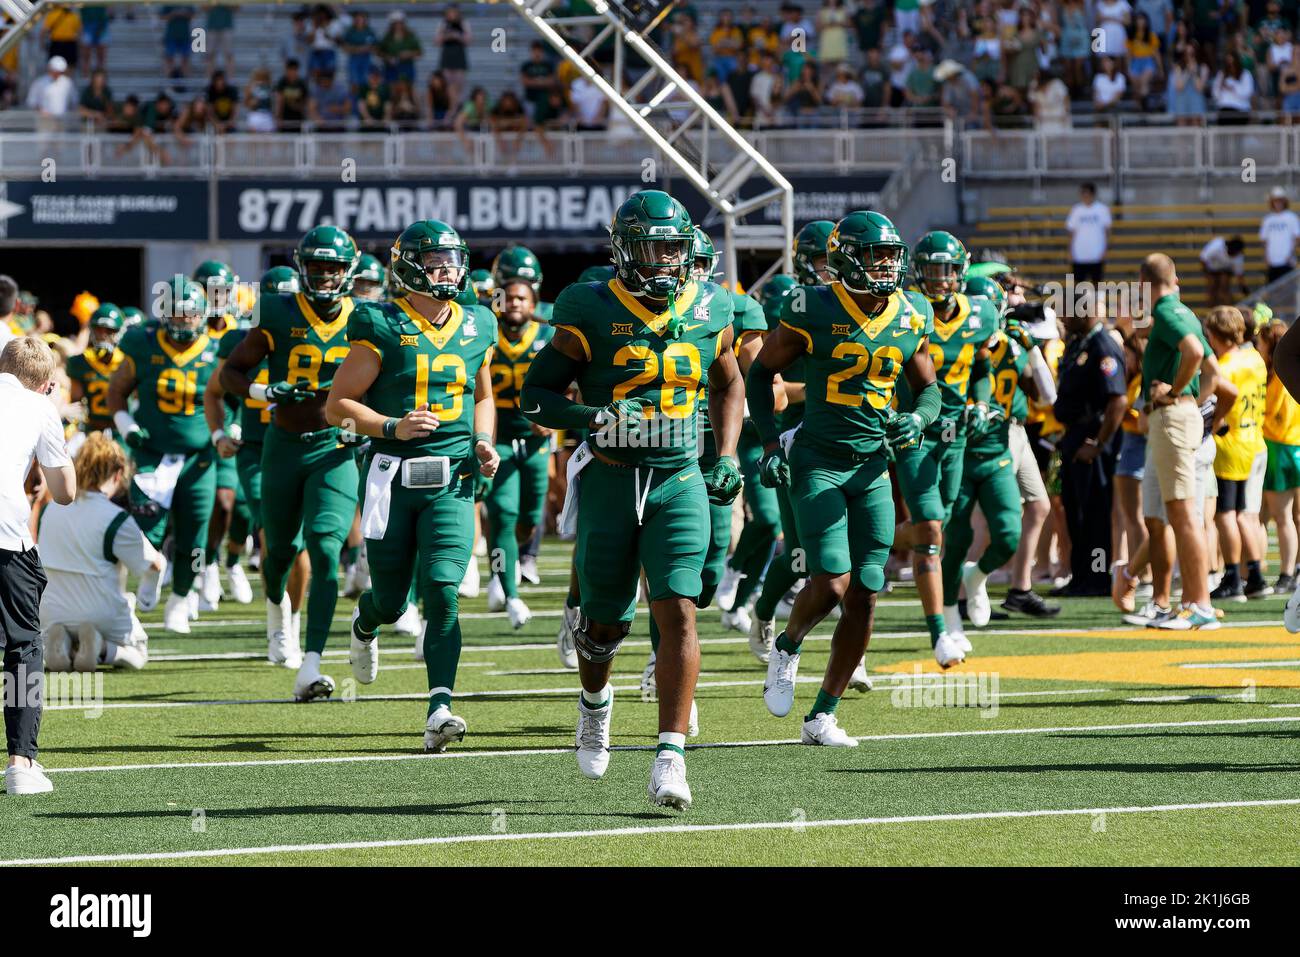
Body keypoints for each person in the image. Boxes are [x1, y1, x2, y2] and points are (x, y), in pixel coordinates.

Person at [519, 190, 744, 810]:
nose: (664, 260)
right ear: (622, 250)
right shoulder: (587, 305)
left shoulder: (710, 304)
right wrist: (591, 414)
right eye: (650, 247)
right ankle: (595, 704)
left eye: (673, 247)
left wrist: (724, 454)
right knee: (604, 622)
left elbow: (729, 381)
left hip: (678, 478)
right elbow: (534, 396)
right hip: (611, 478)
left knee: (679, 610)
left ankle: (669, 755)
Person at [748, 210, 938, 747]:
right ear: (847, 258)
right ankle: (787, 645)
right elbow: (762, 373)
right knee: (832, 578)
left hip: (874, 466)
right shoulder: (813, 306)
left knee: (869, 591)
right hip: (819, 461)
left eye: (891, 254)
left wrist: (919, 417)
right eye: (876, 255)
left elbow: (929, 387)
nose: (887, 264)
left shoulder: (912, 311)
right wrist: (767, 443)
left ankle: (822, 715)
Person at [326, 220, 499, 750]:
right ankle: (365, 622)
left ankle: (439, 706)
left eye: (452, 260)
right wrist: (389, 427)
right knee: (393, 602)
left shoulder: (478, 323)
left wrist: (485, 439)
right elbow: (337, 409)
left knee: (444, 590)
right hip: (391, 479)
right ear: (407, 267)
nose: (447, 270)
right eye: (435, 261)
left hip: (453, 478)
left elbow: (483, 395)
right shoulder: (377, 321)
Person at [221, 227, 362, 699]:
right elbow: (230, 372)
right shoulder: (276, 311)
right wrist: (266, 391)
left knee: (325, 548)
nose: (325, 278)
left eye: (334, 268)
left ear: (350, 271)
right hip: (282, 443)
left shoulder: (367, 317)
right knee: (279, 549)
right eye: (318, 268)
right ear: (302, 268)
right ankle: (278, 612)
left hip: (335, 447)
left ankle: (314, 661)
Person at [894, 230, 999, 666]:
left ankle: (873, 540)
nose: (940, 279)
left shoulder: (981, 313)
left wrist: (980, 402)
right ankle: (940, 632)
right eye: (932, 270)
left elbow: (982, 367)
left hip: (956, 435)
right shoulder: (906, 310)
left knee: (945, 523)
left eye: (948, 270)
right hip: (914, 430)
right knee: (933, 527)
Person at [107, 276, 217, 634]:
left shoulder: (217, 350)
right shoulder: (143, 342)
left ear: (201, 314)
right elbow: (117, 392)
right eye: (176, 312)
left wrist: (228, 429)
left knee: (195, 536)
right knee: (146, 530)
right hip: (152, 451)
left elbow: (231, 401)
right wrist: (126, 425)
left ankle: (181, 599)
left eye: (189, 313)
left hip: (199, 457)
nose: (183, 320)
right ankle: (148, 577)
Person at [0, 336, 75, 795]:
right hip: (7, 536)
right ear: (45, 382)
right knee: (23, 647)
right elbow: (64, 492)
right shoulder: (40, 406)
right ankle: (21, 764)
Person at [1139, 253, 1230, 630]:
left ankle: (1199, 605)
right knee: (1175, 514)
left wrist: (1177, 394)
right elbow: (1213, 372)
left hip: (1173, 417)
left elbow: (1195, 355)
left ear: (1145, 284)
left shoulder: (1165, 311)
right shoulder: (1185, 311)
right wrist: (1193, 402)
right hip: (1181, 416)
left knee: (1184, 515)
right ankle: (1190, 603)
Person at [38, 434, 158, 673]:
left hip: (52, 611)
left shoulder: (49, 510)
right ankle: (102, 648)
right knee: (139, 654)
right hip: (102, 611)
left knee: (58, 627)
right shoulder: (116, 518)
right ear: (117, 473)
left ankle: (66, 645)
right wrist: (147, 597)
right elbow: (153, 565)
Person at [483, 278, 553, 629]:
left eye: (522, 298)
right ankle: (509, 592)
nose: (514, 304)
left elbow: (568, 387)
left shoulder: (548, 335)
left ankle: (504, 568)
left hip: (536, 443)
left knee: (528, 519)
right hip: (499, 439)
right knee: (503, 514)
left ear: (534, 303)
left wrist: (552, 417)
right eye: (508, 298)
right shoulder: (485, 332)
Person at [1052, 295, 1128, 596]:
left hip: (1092, 439)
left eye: (1070, 313)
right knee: (1075, 510)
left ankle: (1096, 577)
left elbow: (1117, 400)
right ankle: (1080, 576)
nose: (1064, 318)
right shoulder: (1079, 343)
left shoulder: (1103, 345)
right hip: (1074, 437)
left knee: (1095, 511)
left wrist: (1097, 444)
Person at [1205, 306, 1271, 602]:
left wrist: (1214, 422)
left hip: (1231, 443)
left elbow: (1221, 399)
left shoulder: (1226, 365)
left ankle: (1232, 576)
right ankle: (1255, 575)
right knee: (1248, 516)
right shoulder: (1255, 358)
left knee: (1226, 515)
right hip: (1255, 438)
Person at [66, 303, 125, 435]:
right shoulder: (80, 362)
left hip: (121, 431)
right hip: (92, 429)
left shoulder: (127, 361)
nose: (103, 335)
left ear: (119, 331)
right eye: (99, 329)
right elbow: (77, 402)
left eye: (109, 330)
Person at [1065, 183, 1112, 285]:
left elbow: (1107, 232)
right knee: (1078, 287)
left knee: (1098, 286)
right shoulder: (1076, 210)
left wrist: (1105, 250)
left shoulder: (1102, 209)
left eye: (1087, 194)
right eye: (1083, 194)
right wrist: (1070, 251)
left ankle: (1098, 302)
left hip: (1096, 255)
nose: (1085, 197)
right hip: (1079, 255)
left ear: (1093, 194)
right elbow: (1071, 232)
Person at [1259, 187, 1300, 285]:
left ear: (1284, 202)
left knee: (1288, 293)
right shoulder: (1267, 219)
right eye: (1275, 201)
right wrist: (1266, 257)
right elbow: (1264, 240)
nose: (1278, 203)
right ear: (1272, 202)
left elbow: (1297, 238)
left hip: (1287, 262)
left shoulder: (1292, 217)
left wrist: (1290, 254)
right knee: (1273, 295)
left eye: (1280, 201)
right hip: (1272, 263)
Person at [1200, 235, 1248, 308]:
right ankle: (1210, 309)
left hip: (1226, 270)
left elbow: (1239, 275)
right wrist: (1207, 274)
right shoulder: (1217, 246)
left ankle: (1228, 310)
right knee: (1212, 288)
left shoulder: (1238, 256)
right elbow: (1203, 258)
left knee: (1224, 289)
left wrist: (1244, 289)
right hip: (1211, 269)